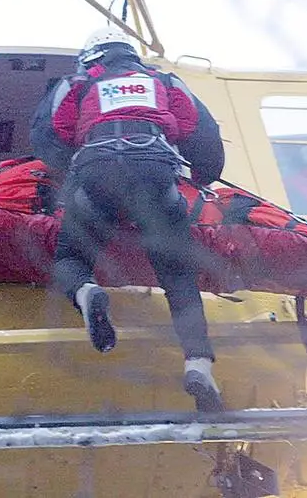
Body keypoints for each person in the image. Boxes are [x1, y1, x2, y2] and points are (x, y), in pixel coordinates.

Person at [30, 27, 227, 412]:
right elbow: (203, 137)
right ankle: (198, 365)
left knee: (70, 259)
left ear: (92, 58)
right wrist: (201, 176)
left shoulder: (79, 82)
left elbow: (47, 133)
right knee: (177, 276)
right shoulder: (164, 81)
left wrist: (70, 174)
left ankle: (87, 293)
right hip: (154, 173)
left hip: (97, 171)